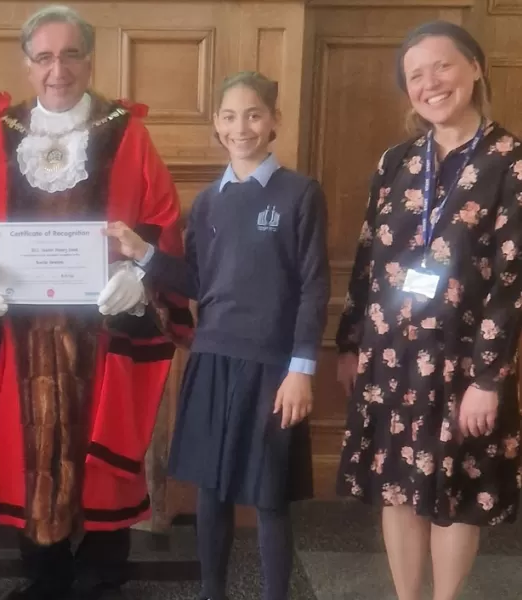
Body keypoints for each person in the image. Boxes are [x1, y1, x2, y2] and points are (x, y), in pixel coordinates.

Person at [0, 5, 192, 600]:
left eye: (70, 54)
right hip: (21, 331)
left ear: (89, 60)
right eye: (44, 56)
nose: (58, 69)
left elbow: (161, 222)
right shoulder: (0, 133)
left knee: (103, 450)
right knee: (27, 448)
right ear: (27, 65)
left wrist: (139, 276)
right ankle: (44, 578)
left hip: (103, 324)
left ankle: (103, 576)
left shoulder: (127, 131)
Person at [106, 71, 330, 600]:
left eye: (253, 114)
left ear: (274, 120)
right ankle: (213, 592)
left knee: (269, 496)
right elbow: (198, 284)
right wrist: (145, 254)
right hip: (211, 358)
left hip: (274, 367)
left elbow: (314, 288)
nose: (241, 126)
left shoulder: (301, 194)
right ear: (216, 125)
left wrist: (302, 369)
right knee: (212, 490)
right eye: (229, 116)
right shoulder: (207, 202)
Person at [335, 21, 522, 600]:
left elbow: (514, 282)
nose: (431, 83)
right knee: (396, 488)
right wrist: (348, 343)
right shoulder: (396, 161)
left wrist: (489, 379)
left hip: (464, 365)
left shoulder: (510, 163)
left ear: (474, 69)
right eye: (415, 74)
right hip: (392, 358)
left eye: (442, 66)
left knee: (456, 496)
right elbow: (368, 257)